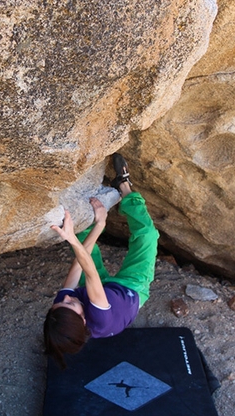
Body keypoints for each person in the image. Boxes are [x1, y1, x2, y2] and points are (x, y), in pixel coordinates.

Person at [44, 153, 159, 369]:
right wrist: (99, 224)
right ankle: (125, 187)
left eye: (60, 303)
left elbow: (80, 263)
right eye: (70, 304)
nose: (66, 298)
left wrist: (96, 225)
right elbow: (90, 274)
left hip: (102, 291)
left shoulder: (63, 308)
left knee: (82, 238)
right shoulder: (100, 319)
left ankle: (86, 209)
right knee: (147, 237)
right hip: (131, 291)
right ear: (84, 320)